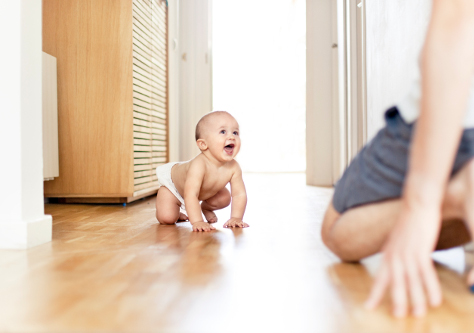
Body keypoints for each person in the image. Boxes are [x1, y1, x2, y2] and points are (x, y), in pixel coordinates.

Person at [321, 0, 474, 318]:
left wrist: (423, 201)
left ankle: (460, 192)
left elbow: (455, 20)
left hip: (456, 115)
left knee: (337, 231)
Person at [155, 111, 248, 232]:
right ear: (203, 144)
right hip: (173, 186)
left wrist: (236, 218)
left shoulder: (234, 167)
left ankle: (205, 208)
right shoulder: (199, 165)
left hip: (200, 193)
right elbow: (190, 195)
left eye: (235, 132)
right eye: (223, 132)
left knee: (224, 198)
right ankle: (176, 211)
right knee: (167, 218)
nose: (231, 137)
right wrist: (198, 221)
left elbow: (239, 194)